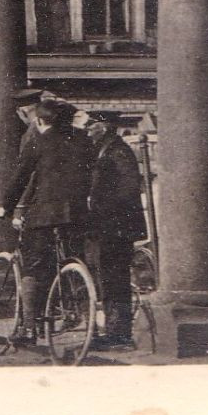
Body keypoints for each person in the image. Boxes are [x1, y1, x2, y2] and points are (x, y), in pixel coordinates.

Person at [0, 96, 93, 342]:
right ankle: (80, 313)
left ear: (39, 120)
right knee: (74, 260)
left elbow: (20, 178)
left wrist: (4, 207)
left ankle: (29, 327)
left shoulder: (38, 142)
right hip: (77, 214)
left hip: (45, 215)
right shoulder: (83, 140)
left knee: (33, 267)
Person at [86, 113, 146, 350]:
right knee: (108, 278)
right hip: (107, 226)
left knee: (115, 279)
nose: (89, 130)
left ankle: (118, 333)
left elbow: (129, 188)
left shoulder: (118, 151)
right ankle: (113, 330)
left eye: (93, 125)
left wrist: (100, 206)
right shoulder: (104, 149)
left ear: (104, 127)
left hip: (116, 227)